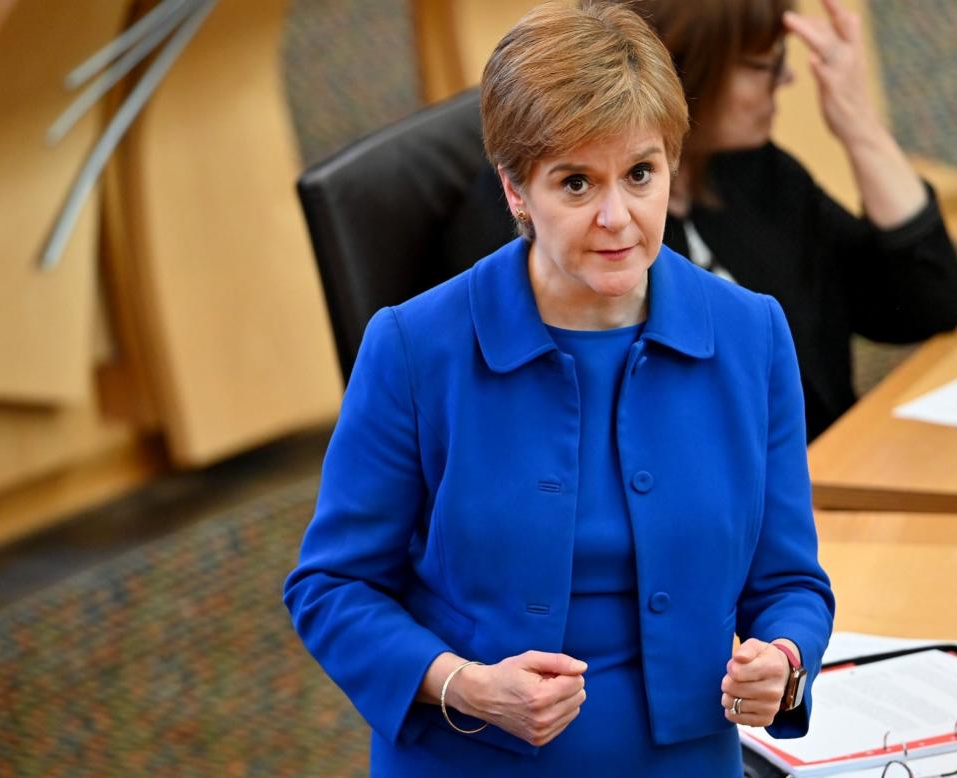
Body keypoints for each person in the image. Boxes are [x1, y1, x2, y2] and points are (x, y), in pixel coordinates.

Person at [284, 1, 834, 775]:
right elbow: (332, 586)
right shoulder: (414, 348)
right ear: (515, 191)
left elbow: (790, 581)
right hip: (473, 753)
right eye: (576, 184)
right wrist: (465, 686)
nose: (618, 217)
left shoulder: (750, 333)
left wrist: (784, 657)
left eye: (640, 174)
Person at [443, 0, 957, 441]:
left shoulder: (753, 174)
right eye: (765, 63)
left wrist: (860, 127)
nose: (784, 78)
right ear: (691, 72)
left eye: (642, 174)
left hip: (820, 484)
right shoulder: (559, 234)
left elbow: (923, 303)